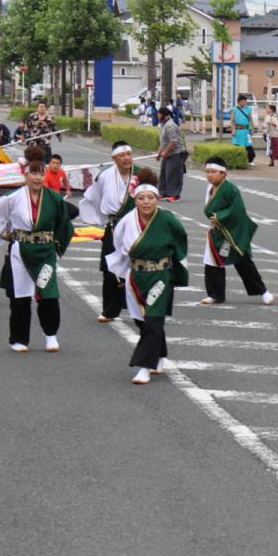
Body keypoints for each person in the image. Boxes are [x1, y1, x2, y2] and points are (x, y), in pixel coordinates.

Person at [0, 146, 75, 353]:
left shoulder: (55, 198)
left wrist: (57, 244)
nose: (38, 177)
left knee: (49, 294)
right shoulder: (12, 198)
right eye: (33, 172)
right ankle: (19, 338)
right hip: (20, 251)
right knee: (20, 297)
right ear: (25, 174)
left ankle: (50, 335)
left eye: (41, 172)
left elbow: (65, 225)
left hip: (45, 252)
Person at [106, 167, 189, 384]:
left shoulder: (167, 219)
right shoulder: (126, 221)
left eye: (151, 198)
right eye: (141, 198)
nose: (146, 202)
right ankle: (159, 355)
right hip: (136, 276)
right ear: (135, 200)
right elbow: (118, 243)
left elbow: (181, 240)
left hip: (160, 275)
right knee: (143, 322)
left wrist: (173, 265)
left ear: (157, 199)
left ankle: (143, 366)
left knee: (153, 319)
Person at [199, 157, 275, 306]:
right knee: (212, 263)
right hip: (216, 232)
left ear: (223, 174)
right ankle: (216, 294)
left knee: (243, 262)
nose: (210, 175)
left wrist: (219, 217)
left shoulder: (230, 189)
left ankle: (263, 291)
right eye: (207, 172)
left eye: (213, 172)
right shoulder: (209, 188)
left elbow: (237, 210)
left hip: (232, 232)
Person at [79, 141, 140, 322]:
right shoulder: (105, 176)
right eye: (122, 155)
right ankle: (109, 310)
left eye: (129, 154)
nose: (127, 158)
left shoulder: (140, 174)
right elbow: (94, 198)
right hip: (113, 227)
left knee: (137, 266)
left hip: (136, 226)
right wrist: (102, 220)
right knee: (110, 268)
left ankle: (140, 306)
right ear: (113, 158)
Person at [155, 105, 187, 202]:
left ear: (164, 115)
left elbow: (173, 142)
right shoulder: (164, 124)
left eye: (159, 114)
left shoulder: (170, 126)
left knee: (173, 174)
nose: (157, 116)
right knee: (164, 173)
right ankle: (163, 193)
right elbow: (164, 142)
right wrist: (159, 152)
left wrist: (165, 152)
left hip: (176, 153)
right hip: (168, 153)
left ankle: (175, 195)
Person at [43, 153, 81, 219]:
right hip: (49, 202)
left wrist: (68, 190)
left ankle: (62, 223)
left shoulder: (61, 172)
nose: (55, 165)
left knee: (75, 211)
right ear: (49, 163)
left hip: (58, 200)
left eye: (57, 163)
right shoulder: (46, 176)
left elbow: (65, 181)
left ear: (60, 165)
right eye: (53, 163)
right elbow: (46, 193)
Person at [232, 94, 254, 166]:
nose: (245, 103)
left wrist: (252, 128)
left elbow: (251, 120)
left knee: (248, 145)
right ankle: (237, 161)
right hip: (238, 130)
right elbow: (232, 121)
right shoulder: (234, 110)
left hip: (246, 131)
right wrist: (233, 130)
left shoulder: (248, 109)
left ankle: (250, 160)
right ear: (239, 101)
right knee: (237, 146)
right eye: (243, 101)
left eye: (245, 101)